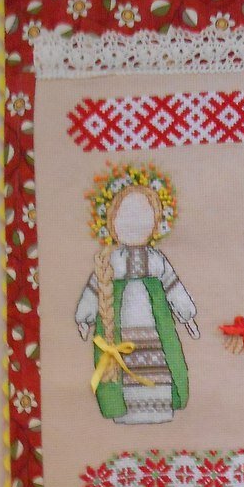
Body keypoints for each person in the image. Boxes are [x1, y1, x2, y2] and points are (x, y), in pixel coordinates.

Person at [75, 165, 199, 424]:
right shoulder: (112, 261)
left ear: (156, 222)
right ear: (111, 221)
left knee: (159, 359)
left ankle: (158, 406)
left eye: (144, 215)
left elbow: (172, 285)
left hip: (154, 323)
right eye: (125, 215)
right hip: (119, 324)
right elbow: (96, 286)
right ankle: (126, 409)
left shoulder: (156, 260)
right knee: (121, 365)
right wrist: (85, 316)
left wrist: (186, 314)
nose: (134, 223)